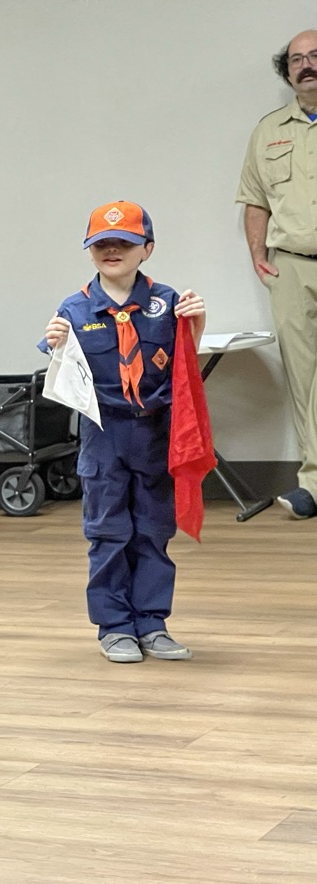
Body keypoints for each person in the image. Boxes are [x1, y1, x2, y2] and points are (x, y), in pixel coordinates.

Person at [42, 202, 206, 663]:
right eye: (102, 244)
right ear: (90, 250)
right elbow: (61, 374)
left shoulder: (166, 302)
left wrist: (196, 323)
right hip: (104, 434)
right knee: (108, 532)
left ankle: (152, 623)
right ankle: (114, 626)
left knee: (153, 530)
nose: (112, 250)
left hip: (153, 433)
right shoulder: (74, 308)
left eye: (125, 243)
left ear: (147, 249)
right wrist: (55, 344)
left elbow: (183, 366)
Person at [238, 30, 317, 519]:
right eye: (297, 60)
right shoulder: (268, 131)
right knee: (303, 377)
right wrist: (257, 252)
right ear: (286, 71)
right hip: (290, 265)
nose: (306, 65)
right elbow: (255, 199)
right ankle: (313, 483)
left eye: (315, 56)